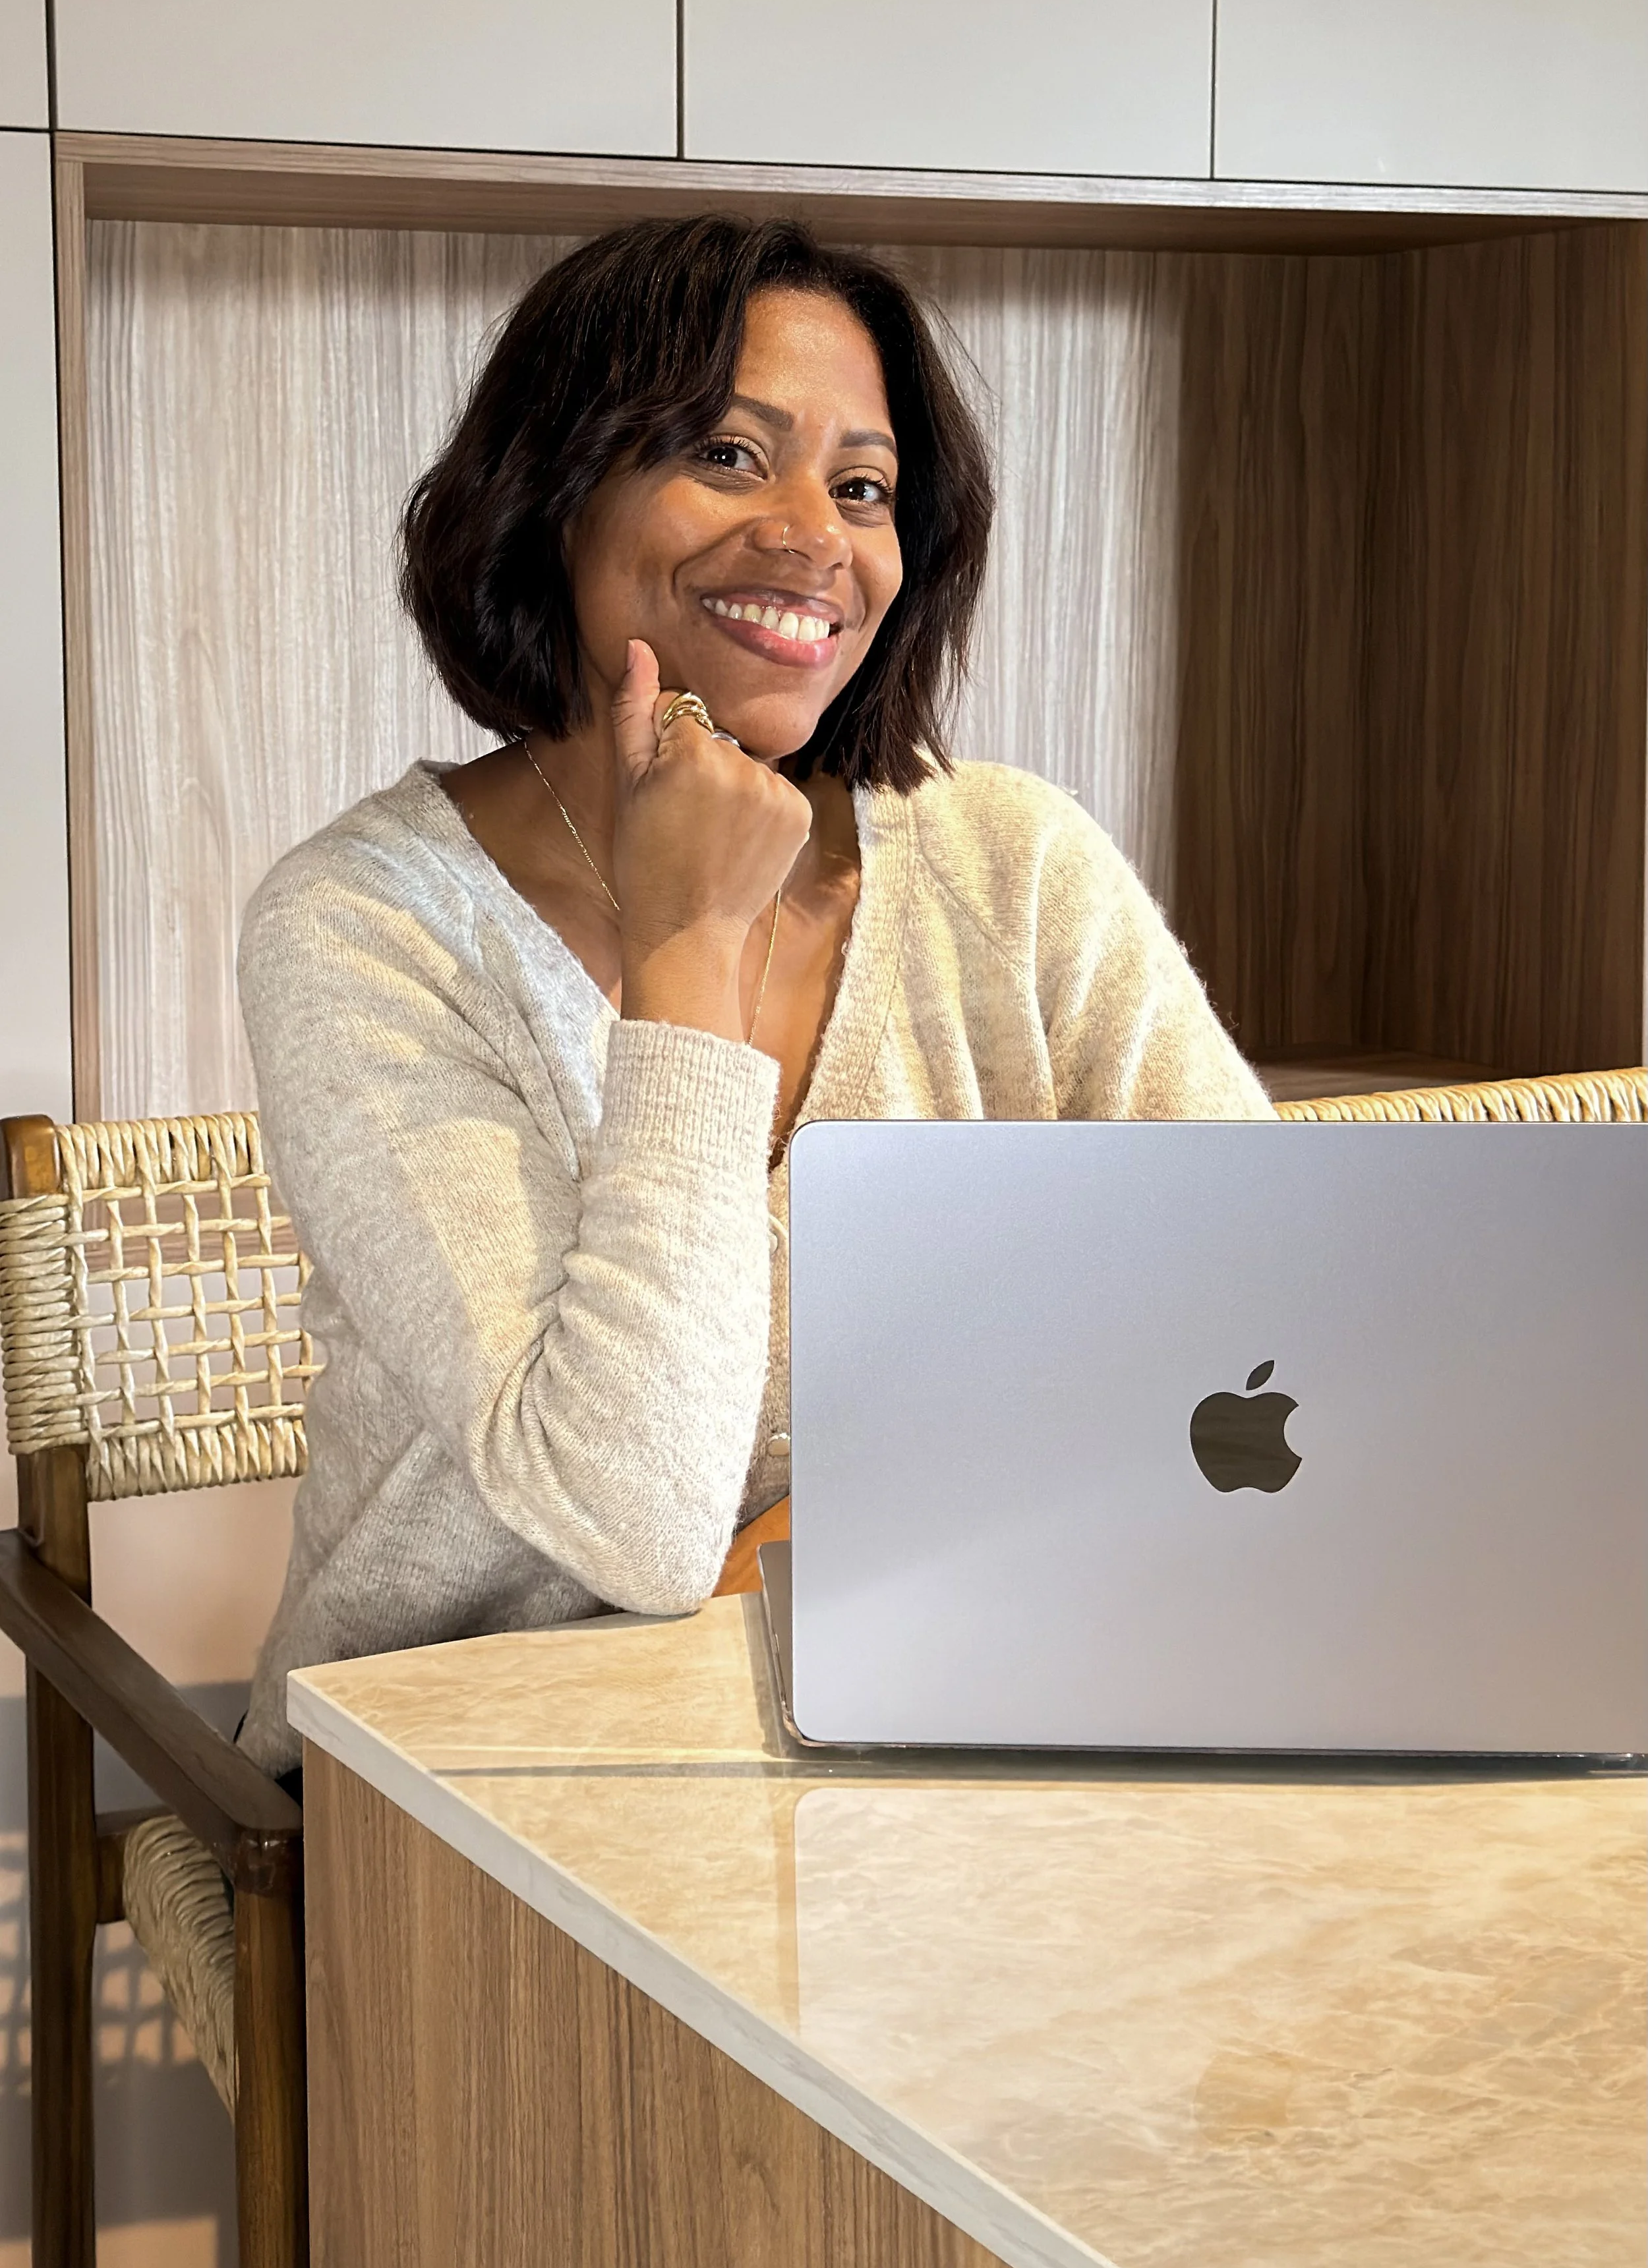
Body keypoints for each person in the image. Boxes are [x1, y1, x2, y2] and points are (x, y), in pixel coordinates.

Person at [237, 216, 1269, 1776]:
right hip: (468, 1780)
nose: (814, 534)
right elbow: (635, 1520)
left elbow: (1272, 1308)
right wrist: (686, 950)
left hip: (945, 1694)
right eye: (726, 453)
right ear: (555, 487)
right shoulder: (365, 925)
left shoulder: (1012, 863)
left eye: (862, 485)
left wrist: (808, 1541)